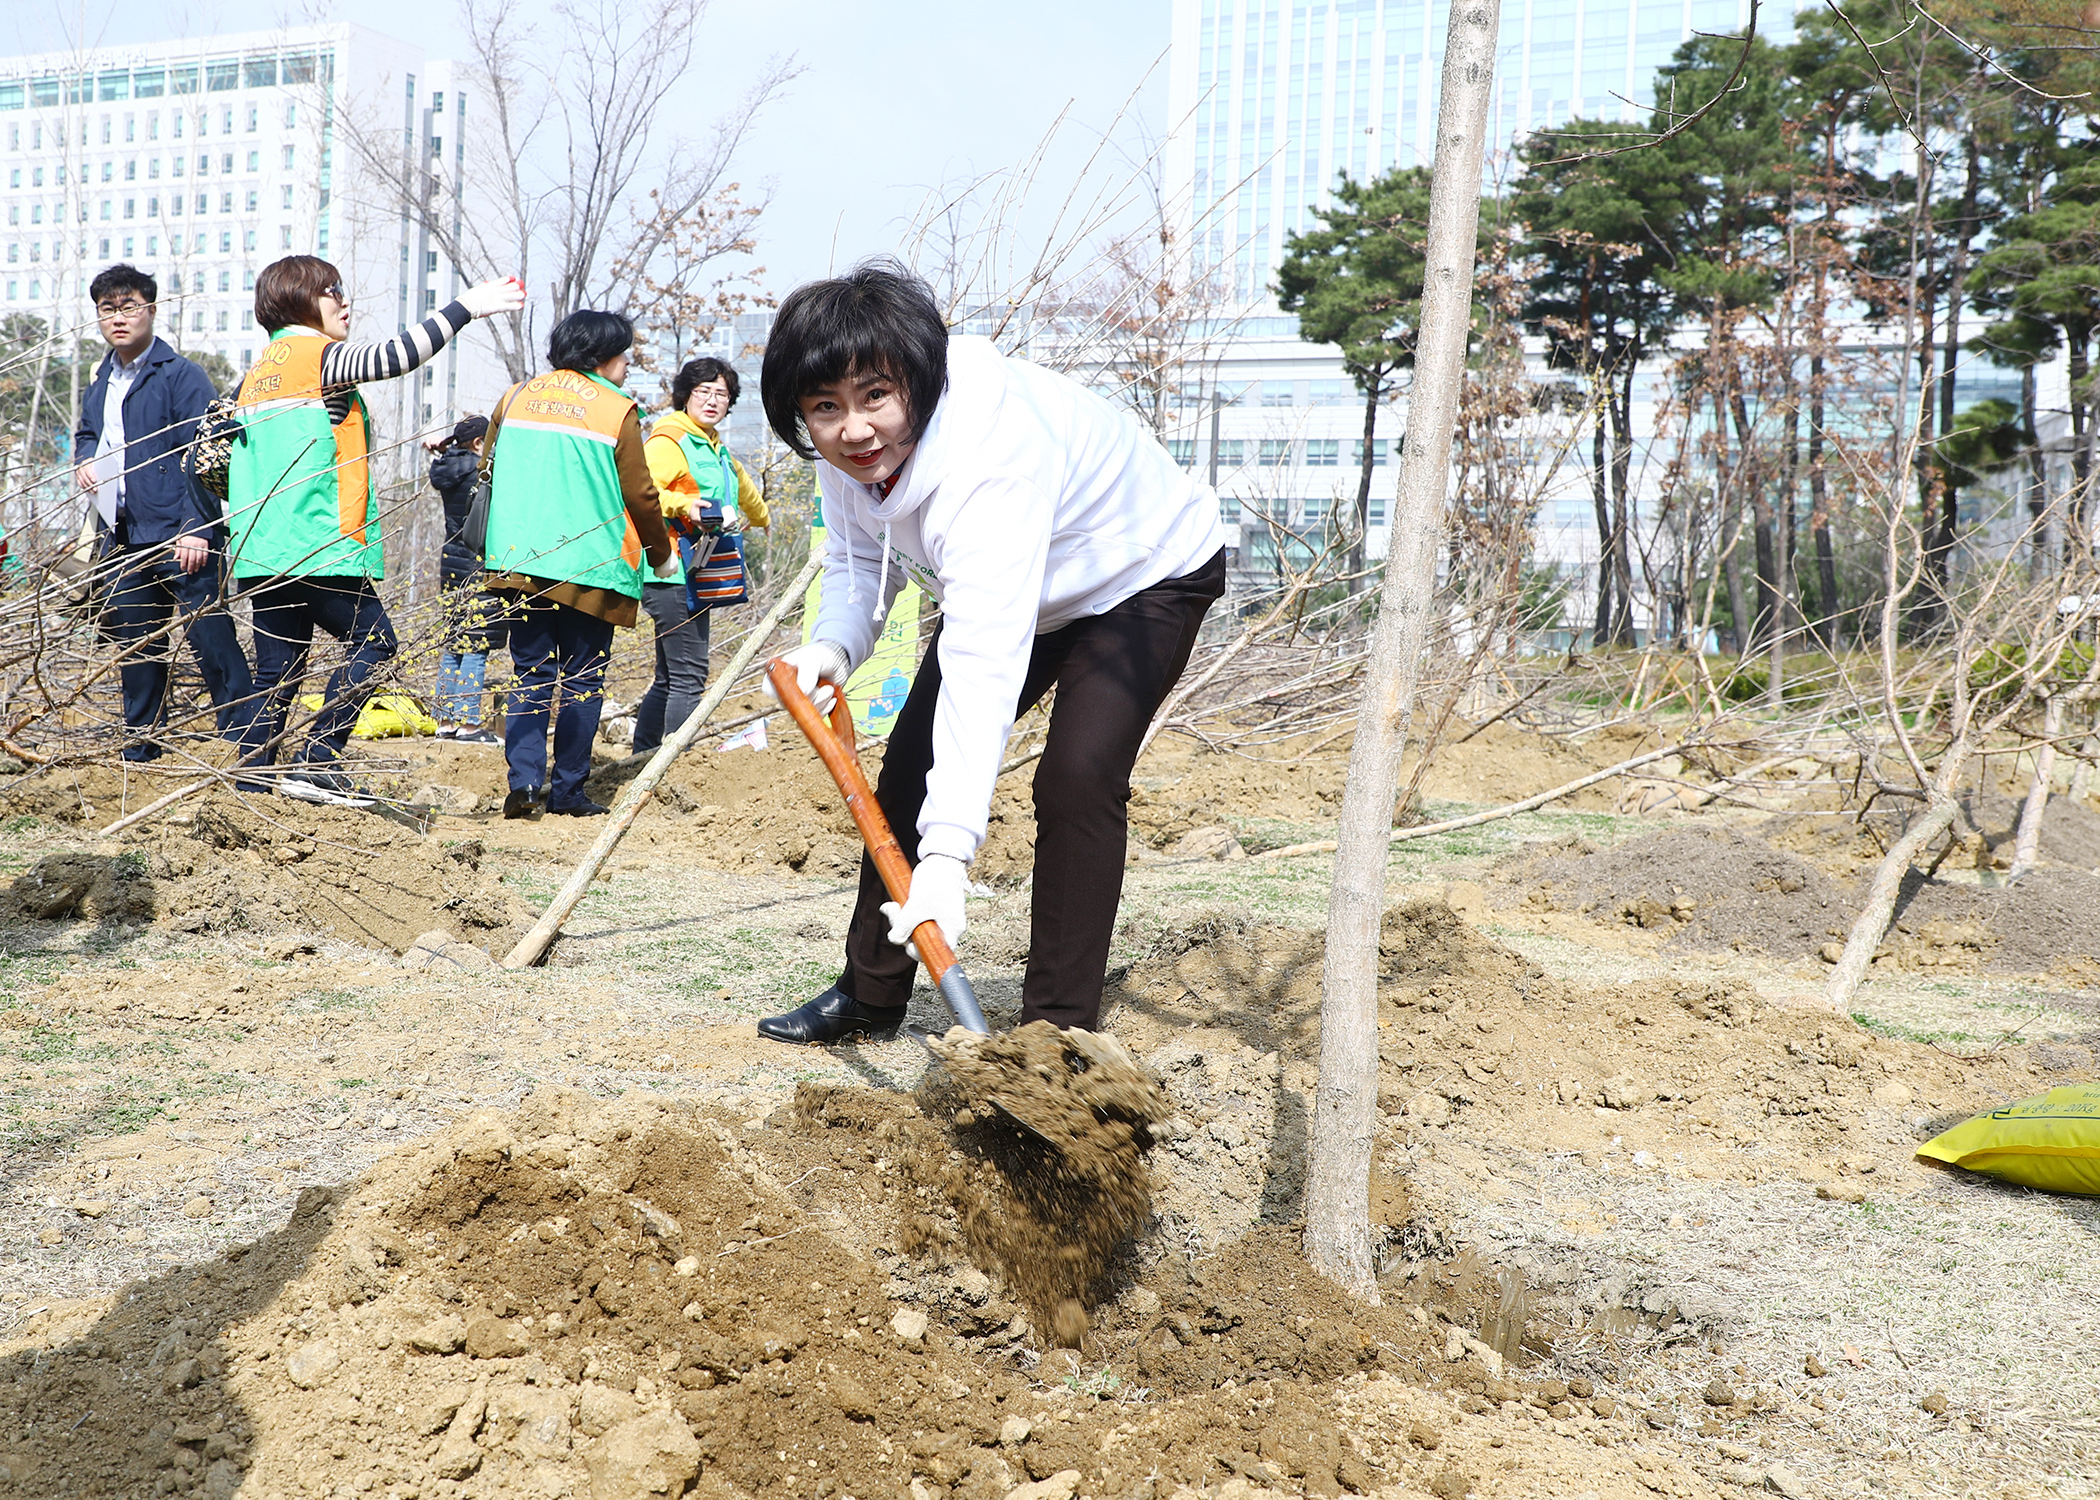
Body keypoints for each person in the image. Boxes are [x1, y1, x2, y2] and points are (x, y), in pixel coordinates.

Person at [753, 262, 1226, 1045]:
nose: (855, 428)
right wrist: (834, 646)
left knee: (1077, 778)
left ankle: (1056, 1034)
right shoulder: (848, 460)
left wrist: (947, 860)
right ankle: (871, 994)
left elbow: (983, 662)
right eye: (825, 409)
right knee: (905, 770)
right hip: (1021, 589)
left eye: (875, 396)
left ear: (918, 379)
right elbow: (854, 564)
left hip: (1142, 575)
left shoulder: (987, 459)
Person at [226, 255, 525, 804]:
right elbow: (399, 355)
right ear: (301, 298)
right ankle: (318, 759)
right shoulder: (316, 356)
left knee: (277, 669)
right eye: (334, 291)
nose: (346, 302)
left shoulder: (254, 375)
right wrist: (468, 307)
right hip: (319, 545)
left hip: (262, 549)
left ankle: (250, 779)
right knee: (377, 643)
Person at [481, 310, 672, 819]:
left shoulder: (515, 397)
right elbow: (640, 494)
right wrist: (662, 553)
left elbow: (487, 468)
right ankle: (567, 793)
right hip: (592, 568)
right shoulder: (616, 409)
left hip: (520, 561)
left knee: (529, 676)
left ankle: (523, 787)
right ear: (603, 356)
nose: (627, 365)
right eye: (624, 355)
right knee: (583, 680)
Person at [71, 263, 255, 762]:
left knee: (210, 636)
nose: (118, 318)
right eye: (108, 310)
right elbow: (87, 433)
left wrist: (196, 528)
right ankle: (142, 745)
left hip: (181, 533)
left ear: (150, 309)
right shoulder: (102, 379)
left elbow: (206, 454)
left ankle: (245, 739)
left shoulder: (181, 376)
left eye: (129, 307)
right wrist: (84, 460)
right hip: (124, 534)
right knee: (136, 644)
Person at [634, 356, 770, 754]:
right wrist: (687, 506)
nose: (713, 400)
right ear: (685, 396)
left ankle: (644, 755)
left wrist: (763, 517)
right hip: (670, 567)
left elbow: (741, 484)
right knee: (689, 674)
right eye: (703, 392)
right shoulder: (669, 440)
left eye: (722, 394)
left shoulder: (713, 446)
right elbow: (643, 492)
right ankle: (678, 762)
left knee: (669, 675)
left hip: (696, 570)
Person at [428, 415, 503, 744]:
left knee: (454, 643)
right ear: (478, 444)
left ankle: (445, 721)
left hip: (451, 565)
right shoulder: (481, 471)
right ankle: (469, 725)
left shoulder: (448, 468)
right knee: (476, 645)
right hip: (476, 564)